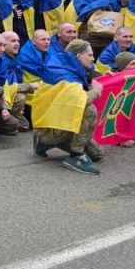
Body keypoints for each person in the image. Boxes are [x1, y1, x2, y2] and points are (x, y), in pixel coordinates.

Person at [33, 39, 105, 174]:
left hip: (61, 122)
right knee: (89, 109)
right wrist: (96, 91)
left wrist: (106, 77)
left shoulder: (70, 65)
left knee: (97, 154)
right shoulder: (64, 74)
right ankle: (75, 156)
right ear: (78, 56)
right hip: (52, 126)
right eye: (90, 55)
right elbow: (80, 100)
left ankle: (45, 142)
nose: (93, 59)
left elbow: (93, 73)